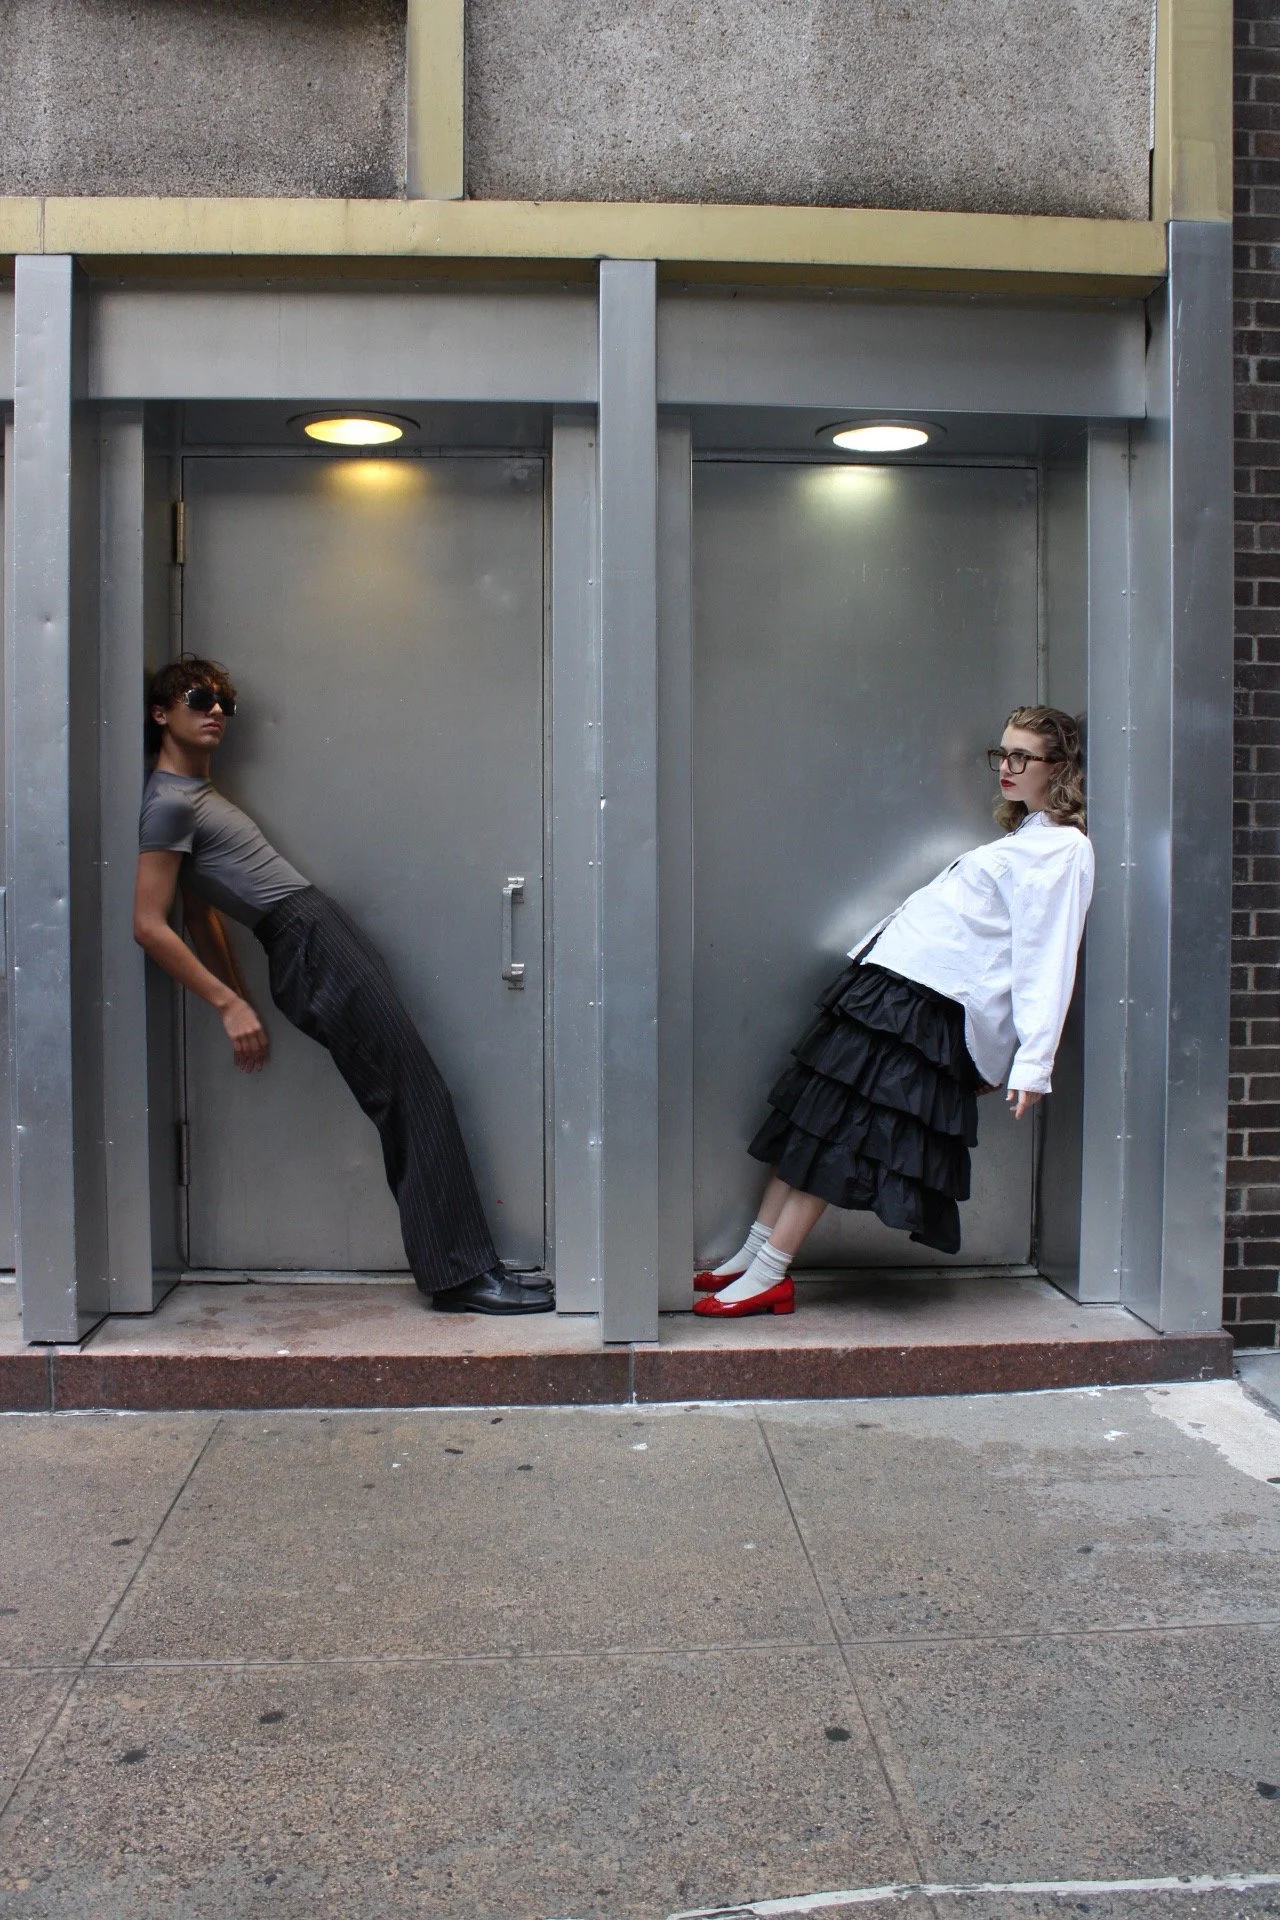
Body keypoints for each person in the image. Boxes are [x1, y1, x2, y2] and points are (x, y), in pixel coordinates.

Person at [133, 656, 553, 1316]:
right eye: (197, 698)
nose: (215, 711)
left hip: (312, 936)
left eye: (224, 703)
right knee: (414, 1093)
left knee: (406, 1091)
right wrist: (227, 1002)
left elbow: (200, 913)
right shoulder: (167, 804)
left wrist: (240, 993)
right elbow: (150, 924)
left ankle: (465, 1268)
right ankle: (462, 1276)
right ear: (161, 713)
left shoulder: (190, 796)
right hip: (308, 941)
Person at [694, 706, 1093, 1318]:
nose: (1006, 768)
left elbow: (1048, 954)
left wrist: (1033, 1061)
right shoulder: (1026, 838)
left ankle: (771, 1273)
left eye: (1022, 757)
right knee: (814, 1119)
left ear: (1059, 768)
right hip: (892, 993)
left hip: (923, 1010)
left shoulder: (1064, 848)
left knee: (839, 1132)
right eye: (1002, 754)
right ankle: (750, 1257)